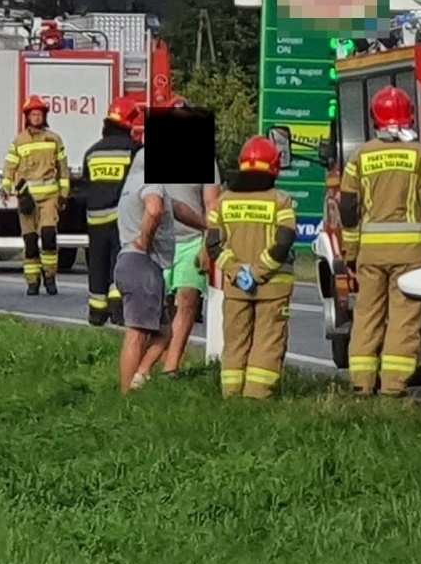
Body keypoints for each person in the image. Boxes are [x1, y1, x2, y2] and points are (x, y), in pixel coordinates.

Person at [338, 86, 421, 397]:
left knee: (367, 314)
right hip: (411, 253)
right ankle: (393, 387)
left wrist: (351, 250)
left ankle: (361, 382)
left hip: (370, 252)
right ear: (408, 117)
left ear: (375, 119)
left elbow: (348, 207)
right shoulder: (420, 154)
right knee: (404, 318)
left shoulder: (361, 156)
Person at [206, 136, 297, 399]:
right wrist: (258, 272)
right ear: (274, 167)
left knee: (235, 342)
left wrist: (237, 271)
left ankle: (231, 394)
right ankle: (257, 397)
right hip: (273, 287)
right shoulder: (281, 201)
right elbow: (283, 243)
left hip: (236, 288)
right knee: (267, 342)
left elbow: (213, 245)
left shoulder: (223, 202)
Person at [114, 146, 207, 393]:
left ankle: (139, 377)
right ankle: (125, 395)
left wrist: (205, 226)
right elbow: (154, 209)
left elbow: (176, 208)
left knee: (164, 331)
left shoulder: (131, 184)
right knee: (136, 334)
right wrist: (145, 240)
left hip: (127, 260)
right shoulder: (151, 184)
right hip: (142, 262)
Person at [158, 97, 223, 377]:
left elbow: (212, 205)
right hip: (160, 242)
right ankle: (153, 359)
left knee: (187, 300)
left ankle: (171, 368)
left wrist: (208, 245)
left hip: (191, 241)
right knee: (160, 307)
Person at [78, 96, 143, 326]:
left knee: (97, 263)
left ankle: (96, 312)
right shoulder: (135, 151)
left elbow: (84, 188)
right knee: (119, 261)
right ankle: (118, 310)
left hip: (95, 220)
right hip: (121, 218)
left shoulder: (92, 152)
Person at [1, 95, 70, 296]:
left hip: (49, 199)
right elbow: (9, 167)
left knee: (48, 237)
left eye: (39, 114)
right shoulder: (19, 141)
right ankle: (32, 281)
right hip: (27, 200)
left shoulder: (54, 139)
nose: (36, 117)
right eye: (33, 114)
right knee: (30, 242)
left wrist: (63, 195)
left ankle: (50, 277)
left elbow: (63, 169)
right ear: (27, 117)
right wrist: (7, 188)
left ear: (44, 116)